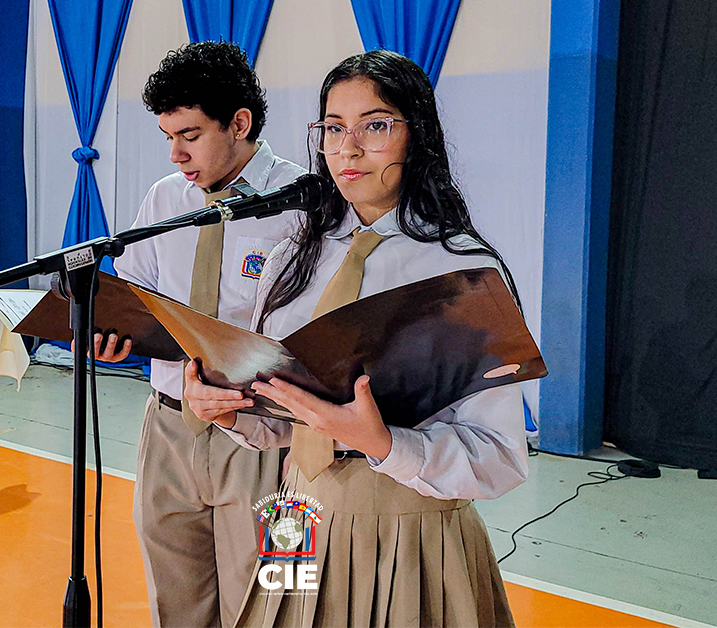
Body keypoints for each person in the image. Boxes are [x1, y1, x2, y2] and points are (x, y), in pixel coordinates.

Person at [184, 51, 528, 627]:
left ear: (415, 136)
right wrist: (229, 410)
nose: (348, 148)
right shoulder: (297, 253)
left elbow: (498, 456)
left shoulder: (460, 271)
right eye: (333, 129)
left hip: (404, 526)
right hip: (292, 510)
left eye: (375, 125)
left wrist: (385, 443)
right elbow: (283, 414)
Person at [98, 41, 306, 628]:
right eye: (168, 136)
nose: (175, 154)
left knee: (278, 598)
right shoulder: (165, 198)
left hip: (269, 436)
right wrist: (115, 333)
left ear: (239, 123)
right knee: (177, 596)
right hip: (170, 426)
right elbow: (135, 291)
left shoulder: (305, 203)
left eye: (189, 134)